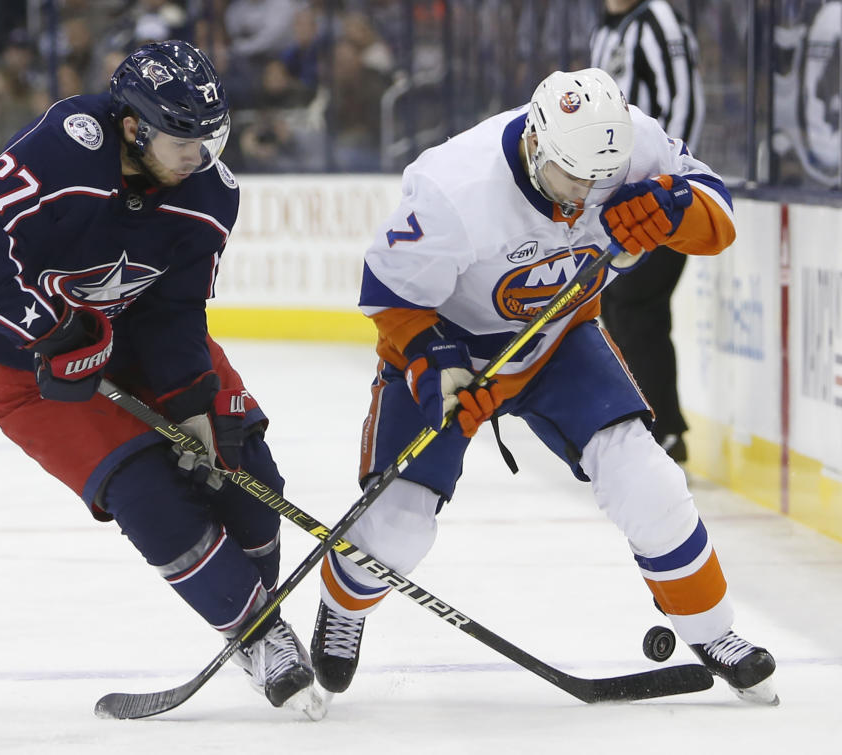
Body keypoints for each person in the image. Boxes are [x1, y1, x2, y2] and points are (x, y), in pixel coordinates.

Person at [309, 67, 778, 706]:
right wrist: (434, 362)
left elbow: (716, 213)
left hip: (559, 340)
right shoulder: (454, 185)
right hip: (459, 353)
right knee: (395, 528)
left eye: (601, 180)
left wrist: (673, 206)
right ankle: (344, 605)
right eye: (573, 177)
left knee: (650, 480)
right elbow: (390, 294)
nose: (587, 195)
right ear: (535, 142)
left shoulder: (627, 142)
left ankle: (714, 631)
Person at [0, 40, 324, 719]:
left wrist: (193, 404)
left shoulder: (208, 195)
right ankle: (259, 632)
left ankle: (253, 620)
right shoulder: (64, 149)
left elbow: (174, 308)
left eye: (210, 139)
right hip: (30, 372)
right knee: (152, 495)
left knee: (248, 474)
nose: (199, 157)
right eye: (183, 140)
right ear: (132, 125)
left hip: (137, 342)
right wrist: (44, 329)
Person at [589, 0, 705, 463]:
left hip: (659, 198)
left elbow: (685, 103)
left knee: (637, 306)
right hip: (613, 200)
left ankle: (662, 430)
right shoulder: (607, 30)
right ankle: (645, 426)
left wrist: (666, 183)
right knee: (616, 304)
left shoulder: (658, 19)